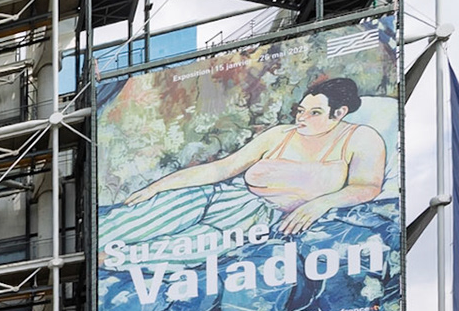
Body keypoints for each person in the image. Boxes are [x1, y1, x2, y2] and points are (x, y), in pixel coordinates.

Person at [120, 76, 387, 238]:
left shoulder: (361, 138)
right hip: (218, 197)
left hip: (252, 218)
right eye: (300, 110)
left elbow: (368, 186)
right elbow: (221, 169)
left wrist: (322, 204)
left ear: (339, 113)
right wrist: (157, 186)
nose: (302, 118)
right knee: (127, 225)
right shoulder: (279, 134)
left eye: (314, 113)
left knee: (162, 251)